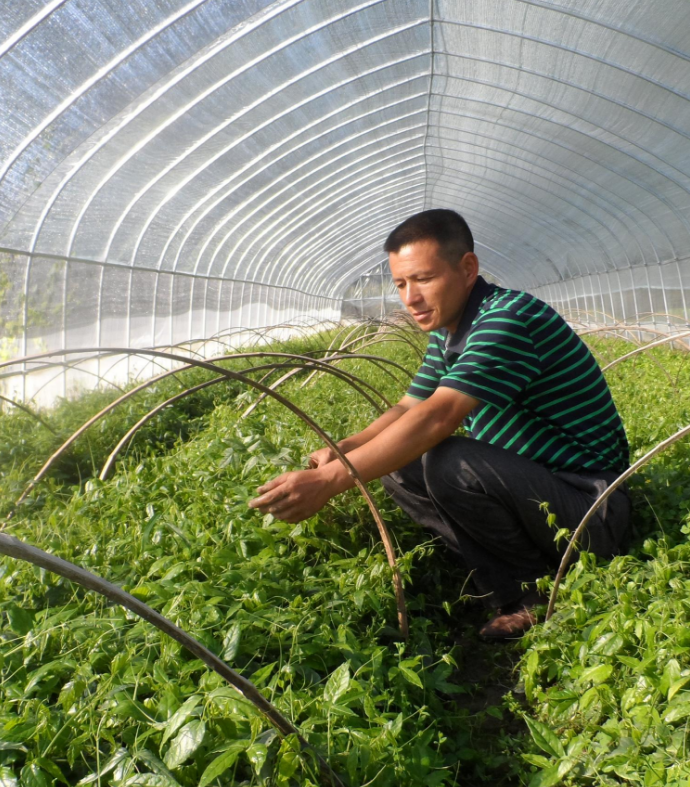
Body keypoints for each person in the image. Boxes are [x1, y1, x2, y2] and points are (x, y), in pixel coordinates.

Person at [248, 209, 631, 639]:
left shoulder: (507, 320)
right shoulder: (451, 329)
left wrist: (332, 482)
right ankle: (501, 575)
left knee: (448, 460)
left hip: (590, 510)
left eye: (423, 279)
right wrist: (342, 451)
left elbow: (439, 416)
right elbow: (410, 407)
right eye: (400, 284)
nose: (410, 297)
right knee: (398, 461)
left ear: (467, 269)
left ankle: (534, 593)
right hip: (543, 495)